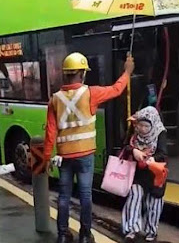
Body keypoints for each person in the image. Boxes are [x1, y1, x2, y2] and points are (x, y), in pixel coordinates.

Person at [44, 52, 134, 243]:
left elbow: (50, 133)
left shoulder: (54, 99)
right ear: (82, 73)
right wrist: (127, 72)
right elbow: (117, 89)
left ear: (66, 74)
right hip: (85, 156)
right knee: (85, 195)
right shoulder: (91, 93)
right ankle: (85, 235)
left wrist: (46, 159)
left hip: (64, 157)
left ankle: (62, 235)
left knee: (64, 196)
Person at [122, 106, 168, 243]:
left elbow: (163, 154)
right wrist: (133, 151)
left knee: (154, 202)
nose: (142, 129)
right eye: (140, 125)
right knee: (134, 197)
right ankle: (131, 229)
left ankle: (151, 232)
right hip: (138, 172)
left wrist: (153, 159)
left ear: (152, 125)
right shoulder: (134, 131)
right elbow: (125, 146)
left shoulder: (160, 133)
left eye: (146, 126)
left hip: (155, 174)